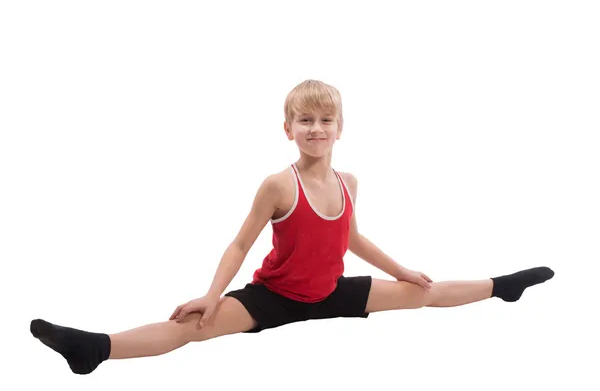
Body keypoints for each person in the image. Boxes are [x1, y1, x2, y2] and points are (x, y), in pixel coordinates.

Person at [30, 79, 555, 375]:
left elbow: (349, 239)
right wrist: (212, 294)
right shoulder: (278, 186)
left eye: (326, 121)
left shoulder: (350, 181)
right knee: (189, 331)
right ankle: (95, 347)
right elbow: (241, 242)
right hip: (275, 297)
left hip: (329, 292)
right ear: (289, 130)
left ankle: (501, 288)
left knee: (426, 292)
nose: (316, 129)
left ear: (340, 129)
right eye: (305, 121)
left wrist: (402, 270)